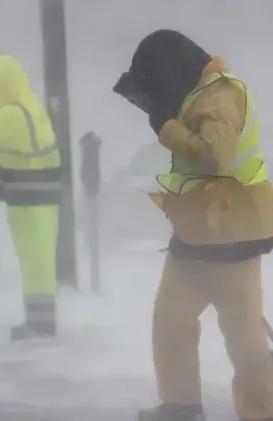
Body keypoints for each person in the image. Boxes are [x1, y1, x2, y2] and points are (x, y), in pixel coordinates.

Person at [113, 29, 273, 421]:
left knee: (244, 337)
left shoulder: (222, 96)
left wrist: (168, 128)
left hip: (232, 235)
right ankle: (180, 407)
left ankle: (262, 411)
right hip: (196, 235)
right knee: (171, 320)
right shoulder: (195, 98)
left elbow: (212, 157)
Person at [0, 55, 63, 340]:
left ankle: (39, 324)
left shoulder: (10, 115)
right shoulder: (32, 107)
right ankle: (41, 320)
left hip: (28, 198)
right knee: (40, 262)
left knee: (34, 263)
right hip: (44, 195)